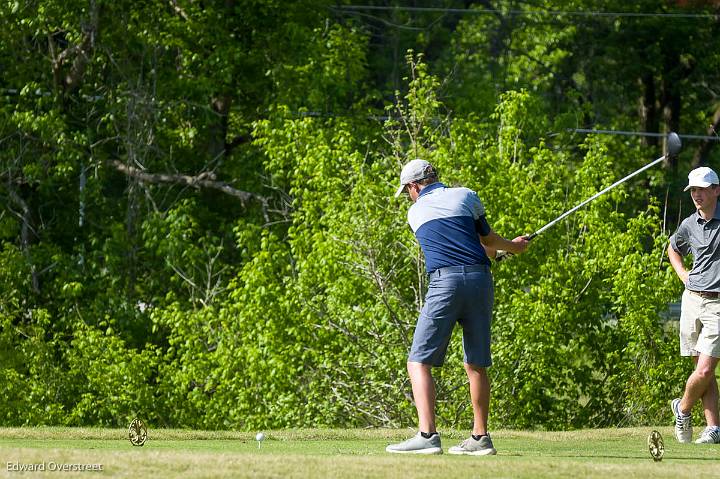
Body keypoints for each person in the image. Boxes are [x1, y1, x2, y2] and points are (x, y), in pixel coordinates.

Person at [385, 159, 529, 455]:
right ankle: (480, 438)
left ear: (414, 187)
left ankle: (427, 436)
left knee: (418, 362)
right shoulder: (466, 195)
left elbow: (449, 244)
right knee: (475, 363)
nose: (408, 198)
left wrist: (499, 249)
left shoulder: (415, 213)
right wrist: (512, 248)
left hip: (445, 283)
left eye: (407, 191)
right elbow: (485, 240)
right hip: (480, 279)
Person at [667, 166, 720, 444]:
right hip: (692, 300)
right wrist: (682, 273)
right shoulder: (689, 224)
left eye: (702, 189)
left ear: (716, 190)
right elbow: (673, 248)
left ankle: (682, 408)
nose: (697, 195)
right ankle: (713, 428)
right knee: (702, 368)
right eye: (693, 191)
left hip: (718, 305)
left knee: (705, 369)